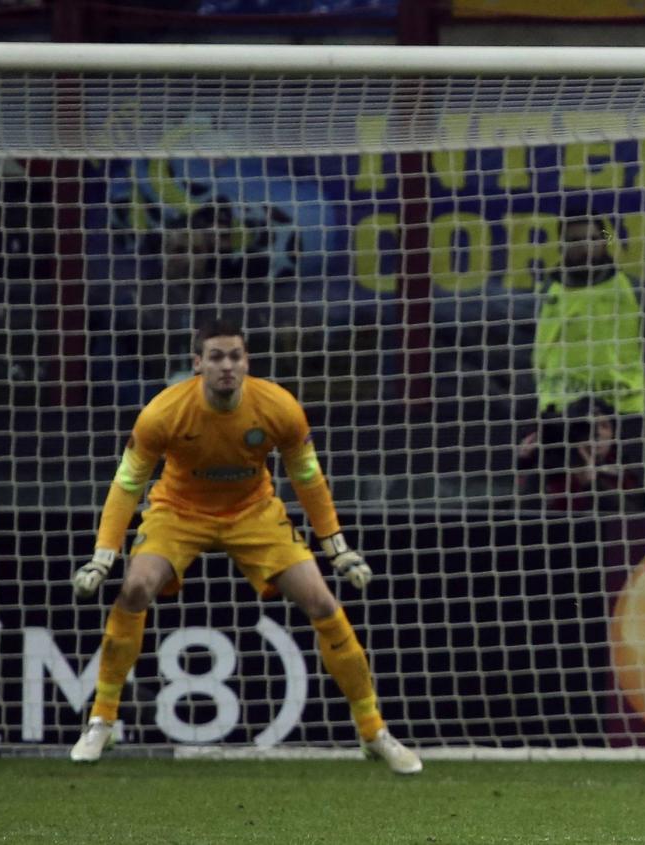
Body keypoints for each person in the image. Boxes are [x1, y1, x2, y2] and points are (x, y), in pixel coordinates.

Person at [69, 317, 421, 774]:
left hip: (254, 513)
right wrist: (104, 554)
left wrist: (336, 546)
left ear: (246, 361)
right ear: (198, 364)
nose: (227, 366)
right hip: (179, 512)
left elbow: (307, 476)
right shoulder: (162, 413)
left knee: (322, 603)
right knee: (135, 589)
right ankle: (102, 720)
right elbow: (128, 483)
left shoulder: (278, 407)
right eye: (216, 357)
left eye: (235, 356)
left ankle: (374, 732)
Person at [533, 209, 645, 415]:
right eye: (575, 240)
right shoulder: (544, 292)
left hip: (623, 408)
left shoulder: (632, 289)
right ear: (561, 245)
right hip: (559, 409)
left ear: (604, 242)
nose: (585, 247)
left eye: (593, 239)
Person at [517, 397, 644, 512]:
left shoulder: (624, 474)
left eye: (604, 426)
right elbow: (525, 516)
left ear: (614, 434)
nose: (597, 433)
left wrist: (592, 484)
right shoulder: (550, 469)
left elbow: (633, 520)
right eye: (588, 427)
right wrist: (524, 465)